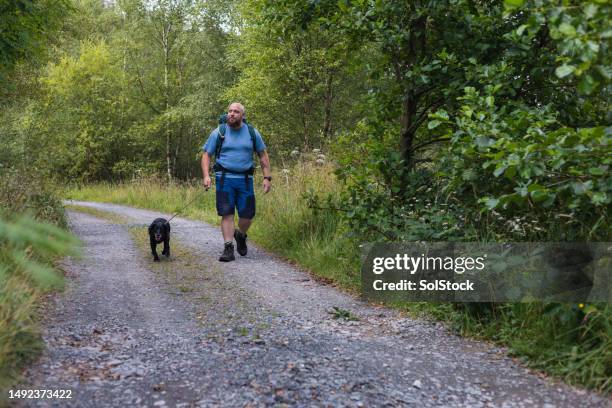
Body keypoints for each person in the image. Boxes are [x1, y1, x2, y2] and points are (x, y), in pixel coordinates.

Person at [201, 102, 271, 262]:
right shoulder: (219, 132)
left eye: (236, 112)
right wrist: (206, 176)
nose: (231, 114)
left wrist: (267, 177)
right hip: (224, 179)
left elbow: (262, 155)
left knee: (247, 215)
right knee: (227, 213)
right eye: (230, 111)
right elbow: (206, 155)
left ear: (243, 116)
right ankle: (228, 248)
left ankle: (241, 234)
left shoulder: (252, 133)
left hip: (246, 180)